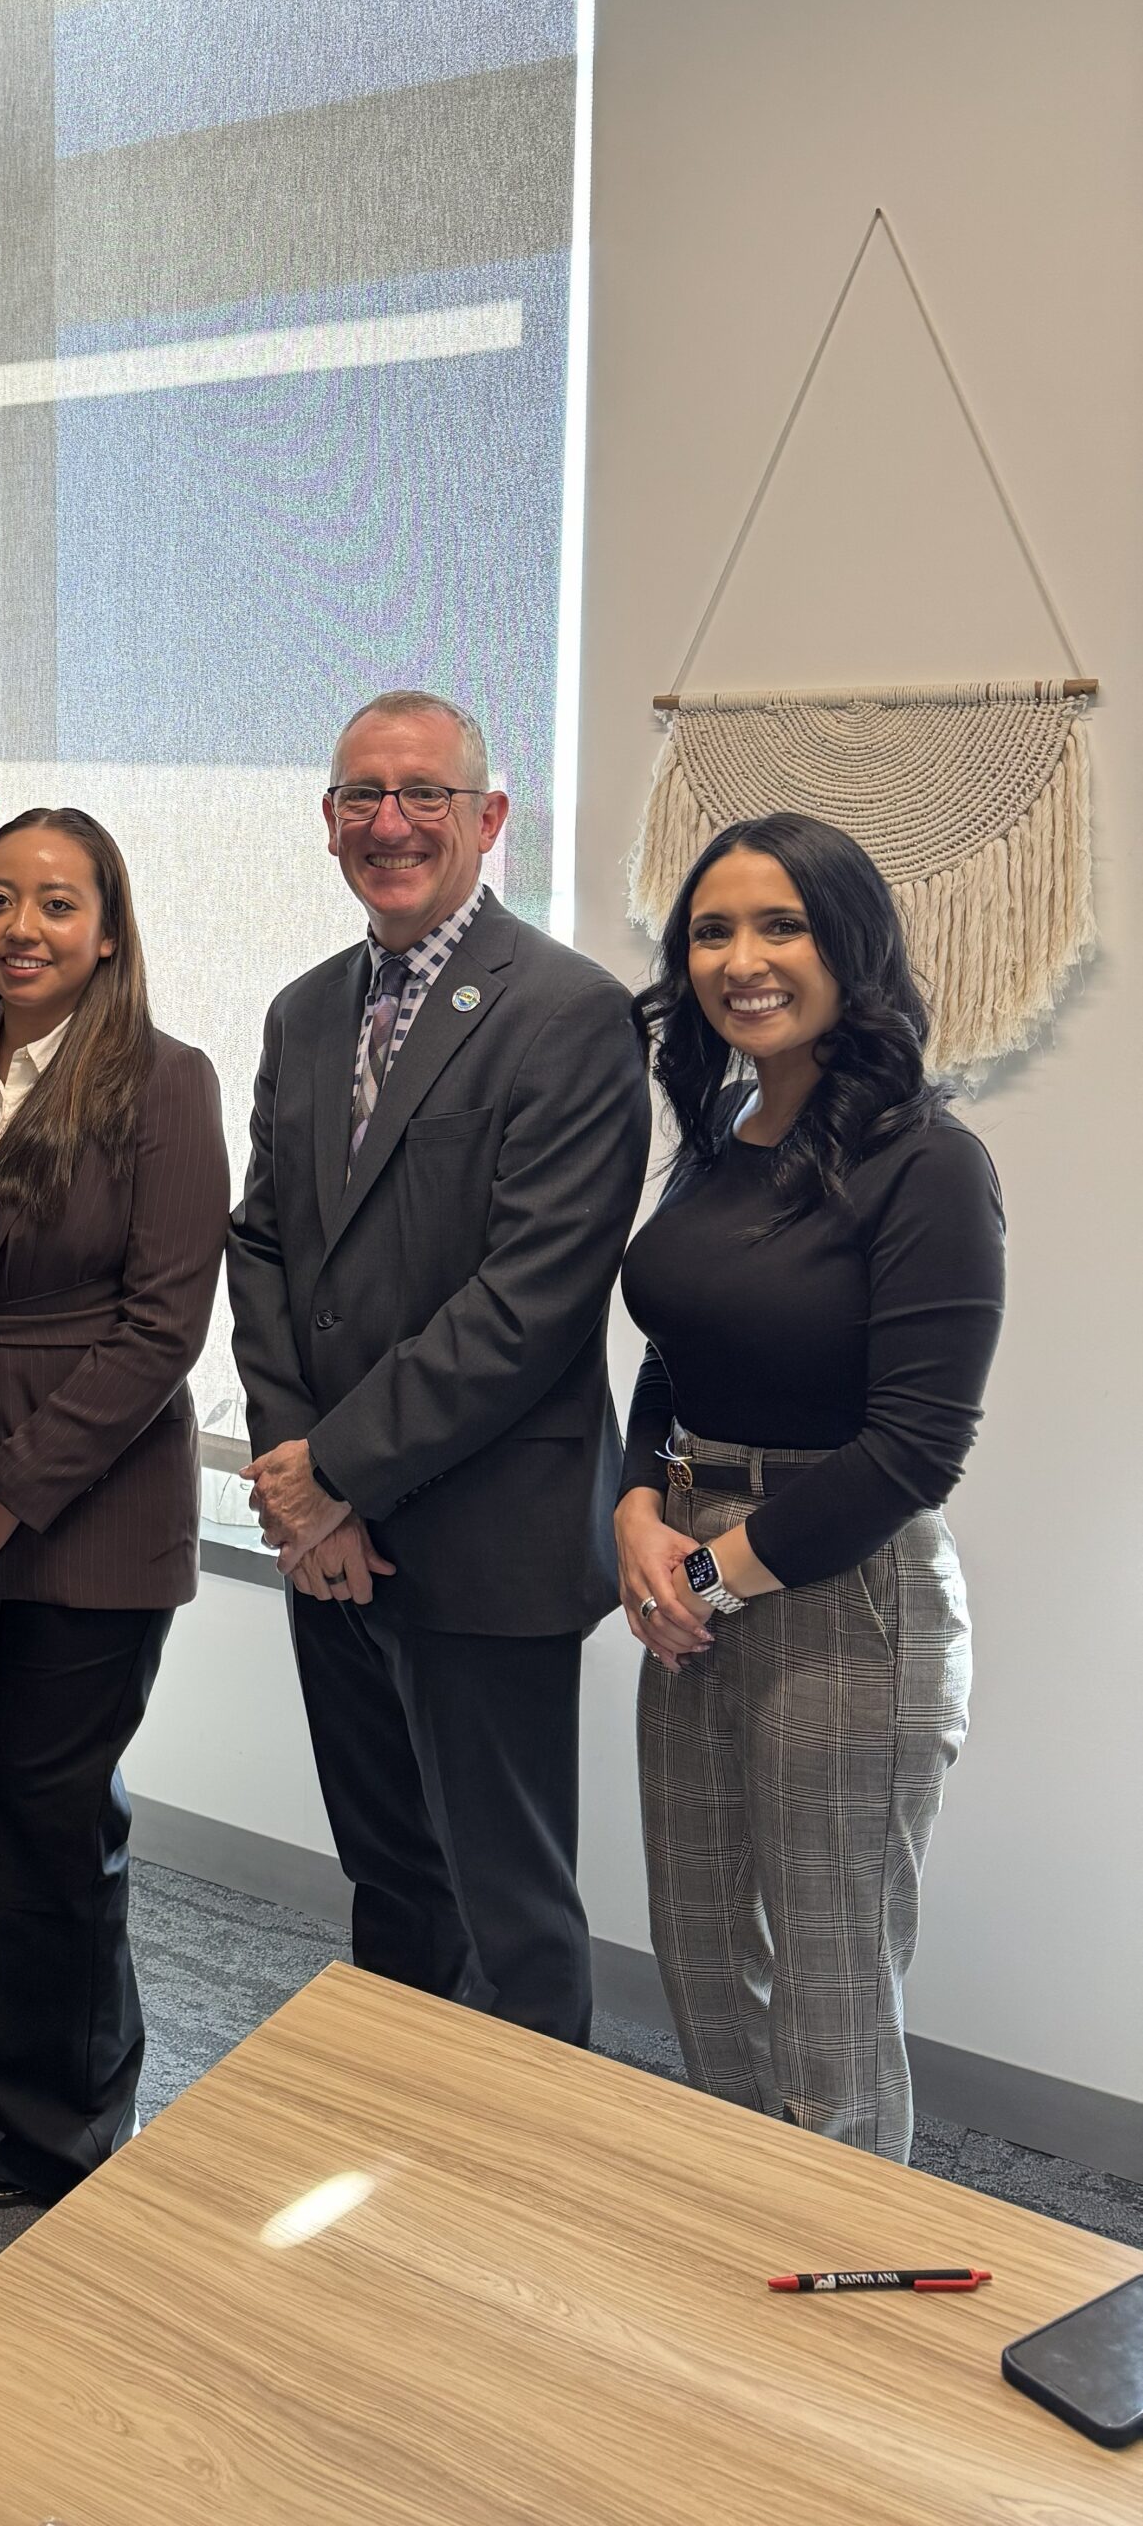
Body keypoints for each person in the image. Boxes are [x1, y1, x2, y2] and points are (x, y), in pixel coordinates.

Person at [227, 689, 650, 2045]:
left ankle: (519, 2170)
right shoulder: (303, 1013)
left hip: (486, 1540)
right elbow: (264, 1247)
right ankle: (396, 2150)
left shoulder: (570, 1014)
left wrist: (333, 1473)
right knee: (393, 1887)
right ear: (327, 820)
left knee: (509, 1916)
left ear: (488, 816)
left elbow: (528, 1302)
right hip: (331, 1543)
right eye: (362, 794)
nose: (391, 822)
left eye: (424, 794)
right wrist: (299, 1483)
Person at [618, 813, 1004, 2162]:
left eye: (779, 925)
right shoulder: (718, 1133)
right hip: (686, 1568)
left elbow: (914, 1449)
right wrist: (635, 1509)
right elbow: (673, 1353)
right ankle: (741, 2232)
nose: (742, 960)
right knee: (699, 1951)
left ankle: (840, 2268)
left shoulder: (929, 1163)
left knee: (830, 1993)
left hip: (846, 1597)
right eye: (711, 930)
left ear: (849, 945)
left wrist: (710, 1573)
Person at [0, 808, 226, 2208]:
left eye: (57, 903)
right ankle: (15, 2051)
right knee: (8, 1797)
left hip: (90, 1506)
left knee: (52, 1805)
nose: (22, 927)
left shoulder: (163, 1081)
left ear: (108, 928)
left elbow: (162, 1330)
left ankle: (61, 2123)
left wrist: (9, 1489)